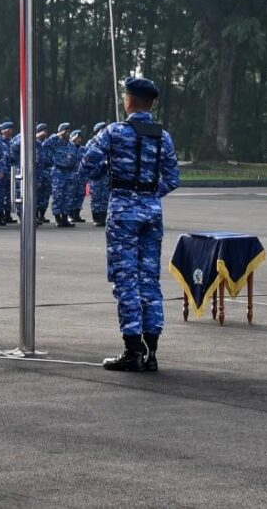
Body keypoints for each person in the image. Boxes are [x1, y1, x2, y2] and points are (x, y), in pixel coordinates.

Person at [79, 77, 180, 371]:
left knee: (126, 280)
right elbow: (173, 178)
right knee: (150, 280)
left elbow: (86, 165)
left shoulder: (114, 132)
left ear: (128, 101)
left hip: (123, 209)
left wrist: (108, 173)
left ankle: (132, 350)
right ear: (151, 103)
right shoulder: (164, 136)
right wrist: (148, 193)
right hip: (151, 210)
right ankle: (151, 353)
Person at [44, 123, 79, 227]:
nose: (68, 134)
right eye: (66, 131)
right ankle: (58, 218)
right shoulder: (56, 143)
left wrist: (75, 173)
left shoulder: (72, 145)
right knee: (58, 196)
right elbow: (45, 144)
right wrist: (58, 134)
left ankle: (65, 218)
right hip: (58, 173)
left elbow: (75, 159)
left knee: (68, 196)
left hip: (69, 173)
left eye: (69, 131)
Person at [86, 122, 111, 226]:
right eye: (102, 129)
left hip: (105, 173)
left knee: (105, 196)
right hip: (95, 174)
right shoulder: (91, 143)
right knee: (96, 197)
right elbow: (88, 157)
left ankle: (103, 218)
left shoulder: (108, 142)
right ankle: (96, 218)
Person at [35, 123, 52, 224]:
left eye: (45, 131)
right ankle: (35, 215)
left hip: (47, 172)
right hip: (37, 172)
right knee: (36, 195)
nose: (45, 133)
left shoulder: (47, 144)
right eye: (42, 131)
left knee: (45, 196)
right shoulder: (34, 143)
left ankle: (42, 215)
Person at [69, 129, 88, 223]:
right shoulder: (69, 148)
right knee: (71, 195)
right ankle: (70, 215)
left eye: (80, 138)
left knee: (80, 195)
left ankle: (77, 214)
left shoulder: (84, 149)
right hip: (71, 176)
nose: (79, 140)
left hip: (81, 176)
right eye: (77, 138)